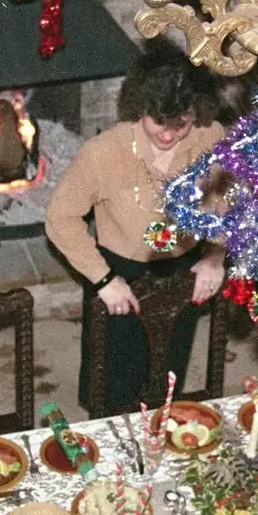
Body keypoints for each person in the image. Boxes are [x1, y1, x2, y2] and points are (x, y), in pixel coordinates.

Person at [45, 38, 228, 412]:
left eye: (181, 123)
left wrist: (214, 255)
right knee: (112, 386)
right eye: (158, 120)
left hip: (183, 268)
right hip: (119, 273)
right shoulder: (103, 153)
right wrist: (104, 280)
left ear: (197, 112)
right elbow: (59, 218)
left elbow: (229, 202)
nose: (167, 134)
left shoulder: (212, 138)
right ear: (140, 105)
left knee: (165, 378)